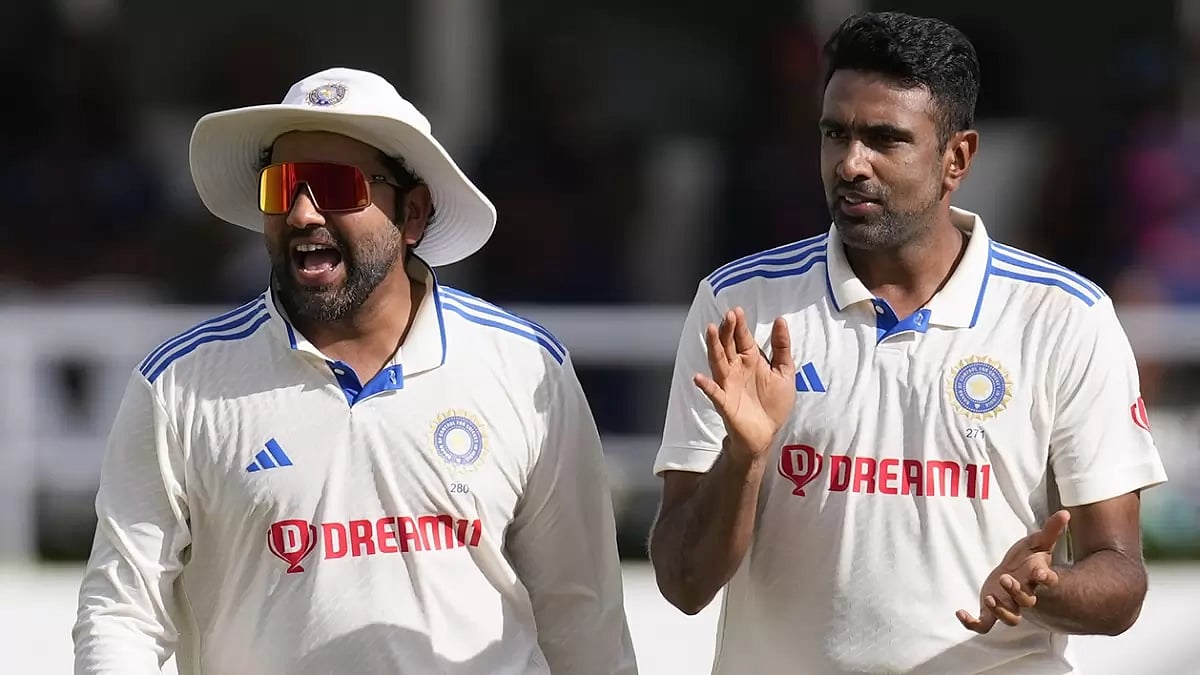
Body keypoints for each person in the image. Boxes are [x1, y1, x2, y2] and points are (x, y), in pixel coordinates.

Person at [649, 12, 1167, 675]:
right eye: (835, 133)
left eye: (885, 139)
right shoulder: (741, 305)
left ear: (958, 157)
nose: (851, 163)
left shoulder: (1064, 316)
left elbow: (1121, 577)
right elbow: (683, 584)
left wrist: (1046, 589)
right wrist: (745, 459)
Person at [72, 66, 638, 675]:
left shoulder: (526, 368)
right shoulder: (180, 385)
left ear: (413, 215)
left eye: (334, 187)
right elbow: (122, 614)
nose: (303, 213)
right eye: (282, 186)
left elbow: (584, 623)